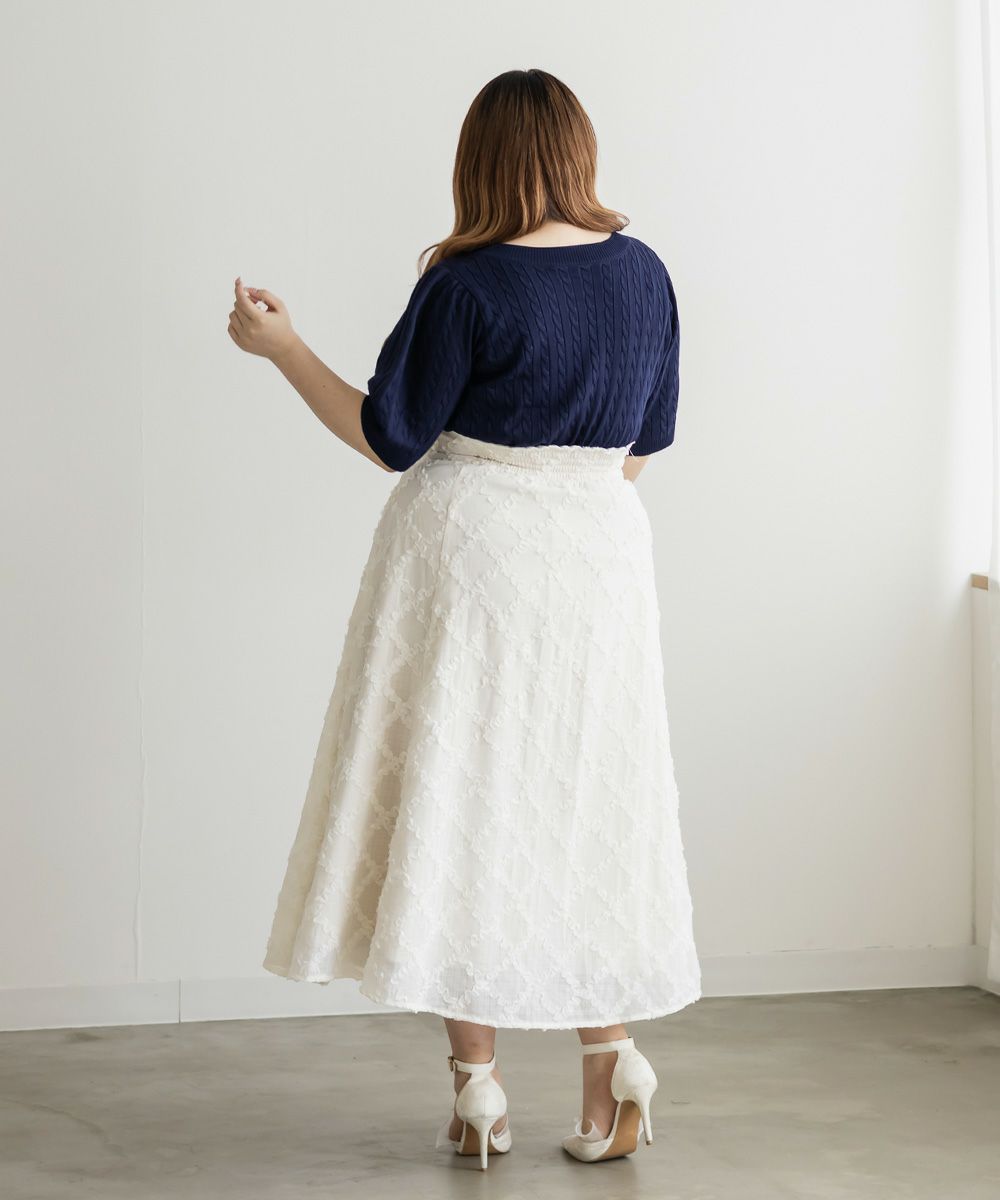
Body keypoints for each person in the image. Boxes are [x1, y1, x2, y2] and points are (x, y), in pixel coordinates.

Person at [227, 67, 701, 1170]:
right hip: (600, 557)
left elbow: (390, 437)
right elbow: (645, 442)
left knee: (465, 798)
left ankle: (477, 1089)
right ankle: (614, 1066)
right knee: (590, 800)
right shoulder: (644, 273)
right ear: (579, 151)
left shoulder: (467, 282)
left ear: (477, 160)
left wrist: (283, 347)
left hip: (474, 553)